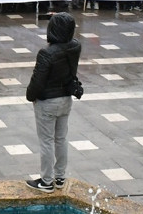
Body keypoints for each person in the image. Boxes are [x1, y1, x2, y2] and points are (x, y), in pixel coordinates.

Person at [25, 13, 82, 194]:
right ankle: (59, 177)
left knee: (47, 141)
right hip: (66, 99)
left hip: (47, 102)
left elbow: (38, 80)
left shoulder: (46, 53)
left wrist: (30, 96)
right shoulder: (75, 47)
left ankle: (46, 181)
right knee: (61, 139)